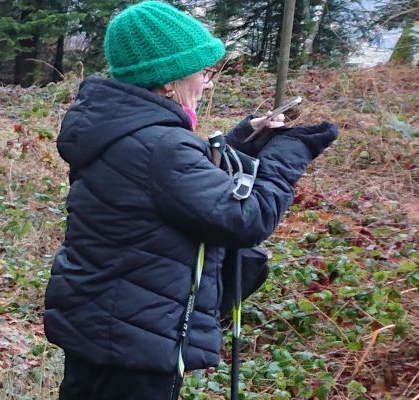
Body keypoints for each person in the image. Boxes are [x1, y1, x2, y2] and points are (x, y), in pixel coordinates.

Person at [40, 2, 337, 398]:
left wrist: (243, 139)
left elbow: (178, 184)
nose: (209, 83)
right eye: (204, 72)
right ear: (168, 80)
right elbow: (246, 219)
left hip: (102, 323)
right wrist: (288, 153)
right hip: (137, 340)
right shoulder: (161, 144)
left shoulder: (120, 130)